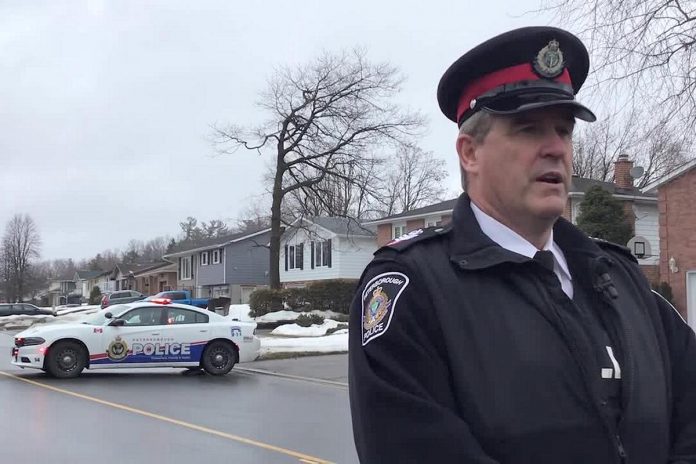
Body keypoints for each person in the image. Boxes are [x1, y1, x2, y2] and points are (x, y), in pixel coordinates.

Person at [348, 26, 696, 463]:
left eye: (564, 131)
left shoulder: (616, 275)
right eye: (529, 129)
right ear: (470, 153)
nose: (556, 149)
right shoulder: (413, 287)